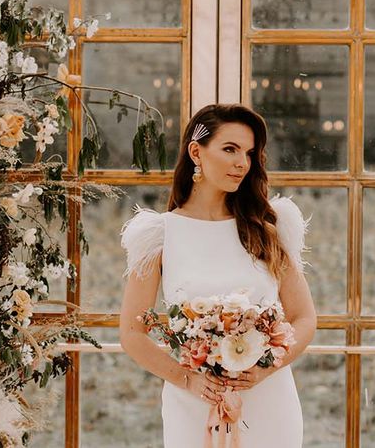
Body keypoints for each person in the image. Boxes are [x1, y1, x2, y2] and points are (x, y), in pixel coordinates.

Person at [119, 103, 316, 447]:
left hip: (269, 400)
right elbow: (132, 333)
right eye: (230, 149)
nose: (243, 162)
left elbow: (304, 317)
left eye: (250, 153)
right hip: (193, 401)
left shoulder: (267, 231)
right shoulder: (159, 235)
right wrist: (186, 379)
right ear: (196, 151)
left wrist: (267, 368)